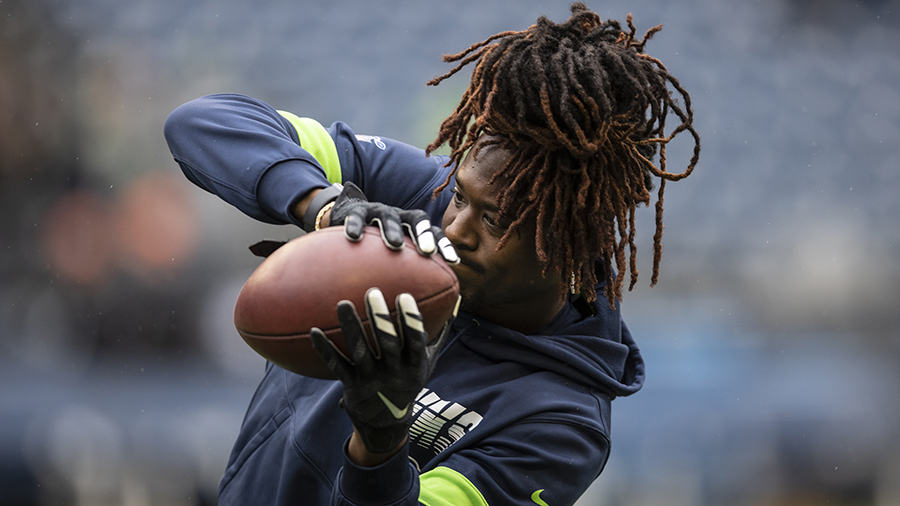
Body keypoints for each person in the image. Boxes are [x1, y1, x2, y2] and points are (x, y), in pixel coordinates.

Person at [163, 3, 699, 505]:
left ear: (570, 244)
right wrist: (322, 205)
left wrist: (381, 445)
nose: (454, 227)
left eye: (493, 220)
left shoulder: (558, 423)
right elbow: (202, 122)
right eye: (462, 197)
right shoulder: (415, 196)